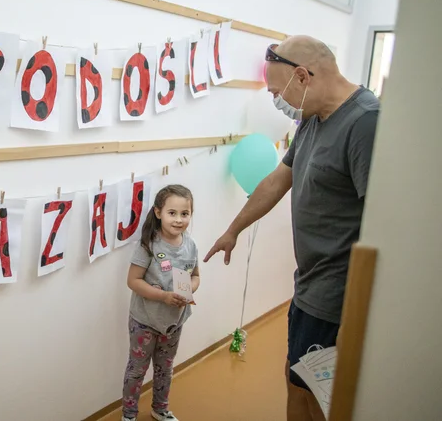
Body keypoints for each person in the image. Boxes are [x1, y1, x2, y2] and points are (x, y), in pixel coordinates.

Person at [203, 35, 379, 421]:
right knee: (296, 377)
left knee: (318, 394)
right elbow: (276, 181)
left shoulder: (365, 122)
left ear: (302, 76)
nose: (276, 102)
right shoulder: (312, 121)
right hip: (309, 282)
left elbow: (382, 219)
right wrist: (233, 229)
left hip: (337, 294)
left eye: (275, 92)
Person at [121, 185, 200, 421]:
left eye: (184, 214)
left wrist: (188, 291)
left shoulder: (190, 245)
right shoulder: (148, 245)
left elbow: (196, 277)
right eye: (172, 213)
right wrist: (164, 296)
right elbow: (133, 281)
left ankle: (160, 408)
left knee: (165, 368)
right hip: (144, 321)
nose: (178, 220)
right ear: (158, 213)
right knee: (137, 370)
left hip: (173, 322)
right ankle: (129, 415)